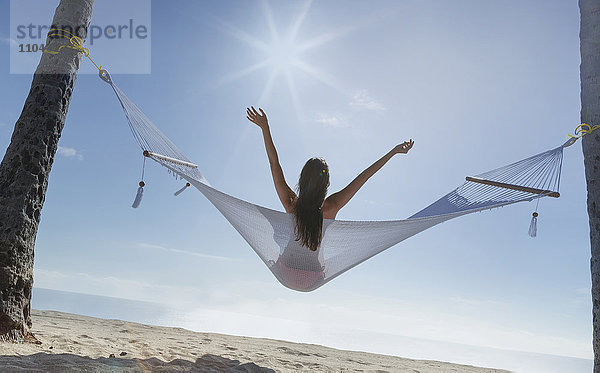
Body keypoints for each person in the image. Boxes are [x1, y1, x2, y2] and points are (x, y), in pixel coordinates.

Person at [247, 106, 414, 253]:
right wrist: (393, 152)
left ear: (302, 180)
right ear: (325, 184)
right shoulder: (331, 206)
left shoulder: (292, 204)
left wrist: (265, 128)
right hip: (313, 277)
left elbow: (274, 164)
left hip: (288, 271)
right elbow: (365, 176)